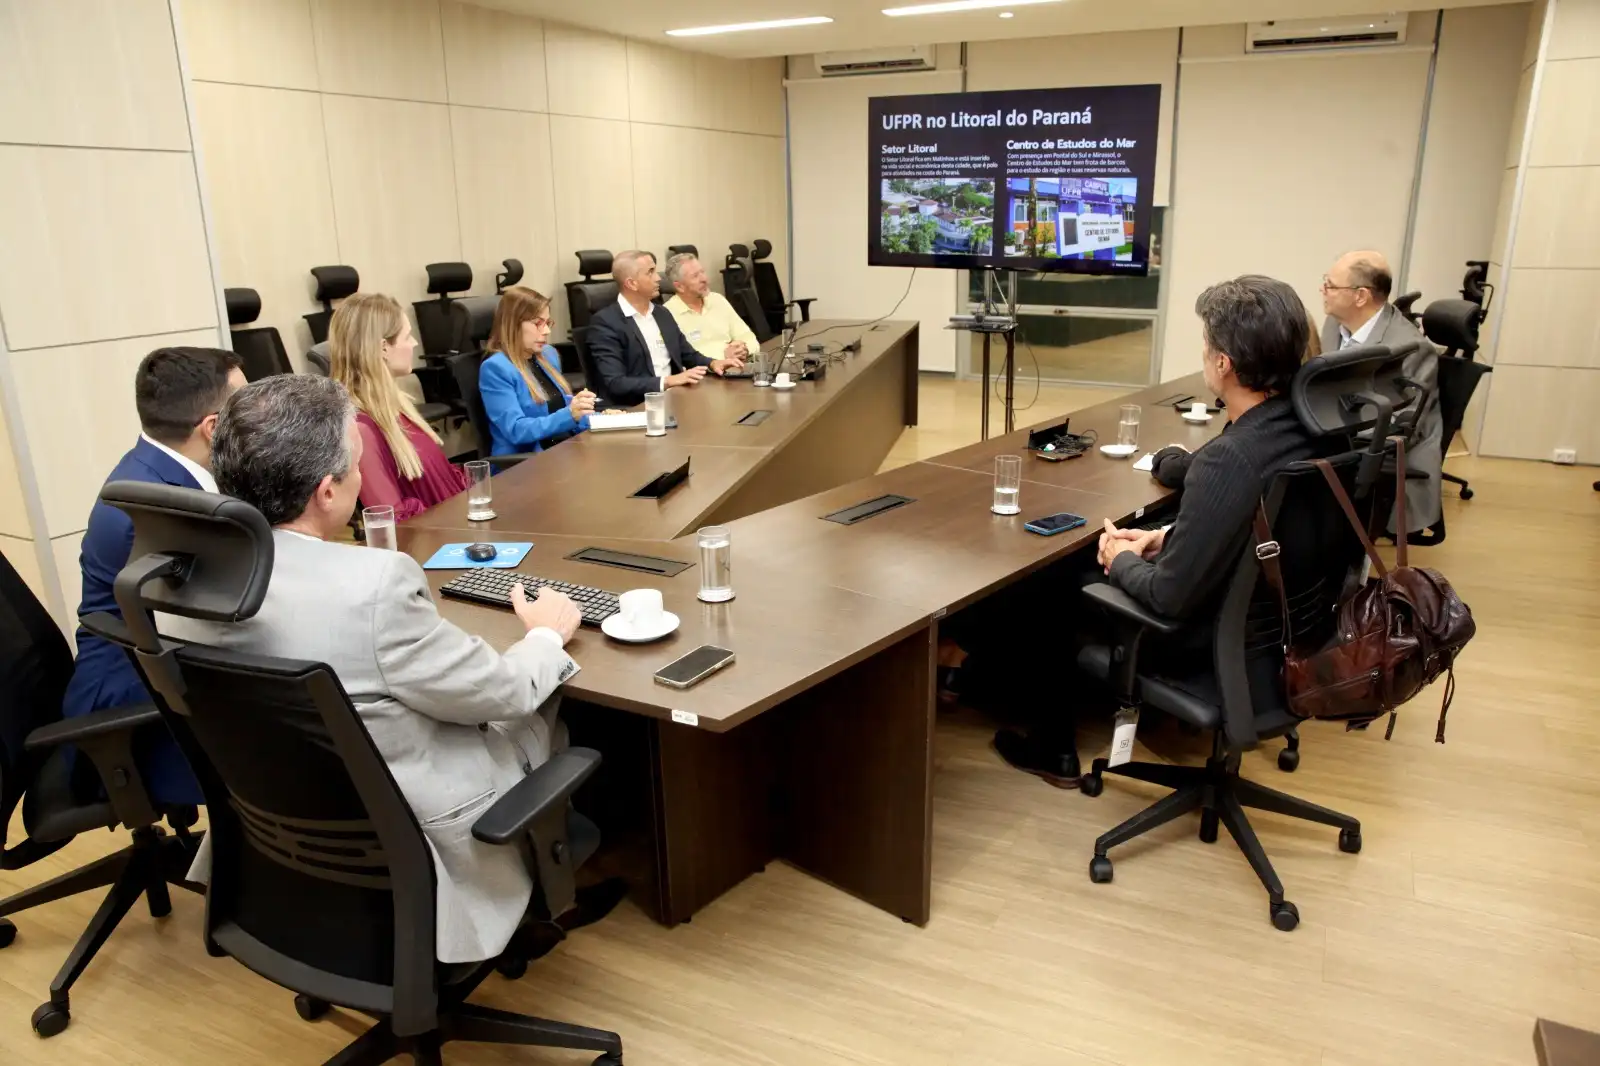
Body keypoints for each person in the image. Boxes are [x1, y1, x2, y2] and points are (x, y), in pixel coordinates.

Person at [165, 374, 616, 964]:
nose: (360, 476)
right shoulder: (373, 586)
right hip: (419, 837)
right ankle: (547, 888)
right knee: (551, 699)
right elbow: (504, 694)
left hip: (284, 838)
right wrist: (545, 635)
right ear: (327, 492)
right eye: (355, 465)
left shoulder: (183, 580)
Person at [960, 276, 1330, 787]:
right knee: (1109, 548)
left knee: (1050, 576)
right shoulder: (1306, 426)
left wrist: (1118, 556)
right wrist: (1166, 536)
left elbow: (1170, 595)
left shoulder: (1231, 457)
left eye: (1206, 343)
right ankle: (980, 677)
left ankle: (1051, 748)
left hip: (1214, 637)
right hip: (1279, 624)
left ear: (1222, 363)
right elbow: (1258, 520)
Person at [62, 346, 246, 806]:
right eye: (247, 407)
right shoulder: (152, 511)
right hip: (133, 701)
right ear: (213, 427)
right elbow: (220, 622)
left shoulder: (169, 470)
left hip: (157, 659)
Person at [1319, 249, 1441, 535]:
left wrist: (1324, 438)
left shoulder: (1409, 349)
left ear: (1360, 296)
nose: (1322, 290)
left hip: (1382, 458)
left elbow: (1399, 428)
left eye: (1330, 285)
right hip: (1338, 437)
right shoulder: (1334, 325)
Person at [329, 292, 469, 521]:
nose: (414, 343)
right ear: (383, 348)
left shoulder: (396, 406)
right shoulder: (361, 428)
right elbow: (393, 518)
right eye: (408, 336)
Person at [585, 249, 742, 407]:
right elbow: (616, 383)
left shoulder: (661, 313)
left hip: (676, 399)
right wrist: (668, 381)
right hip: (638, 407)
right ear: (632, 283)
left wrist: (714, 363)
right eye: (650, 272)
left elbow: (688, 354)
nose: (658, 278)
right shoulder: (605, 323)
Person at [479, 286, 596, 456]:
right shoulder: (496, 368)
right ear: (513, 324)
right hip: (527, 464)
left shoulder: (548, 354)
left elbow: (564, 407)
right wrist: (570, 414)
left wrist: (603, 418)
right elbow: (516, 430)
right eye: (537, 323)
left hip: (564, 449)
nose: (547, 331)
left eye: (547, 323)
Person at [662, 252, 761, 365]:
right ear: (679, 286)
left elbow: (749, 338)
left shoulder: (718, 300)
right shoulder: (667, 314)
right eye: (695, 276)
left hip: (735, 369)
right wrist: (723, 357)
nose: (704, 279)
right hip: (702, 377)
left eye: (702, 272)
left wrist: (744, 350)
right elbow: (679, 360)